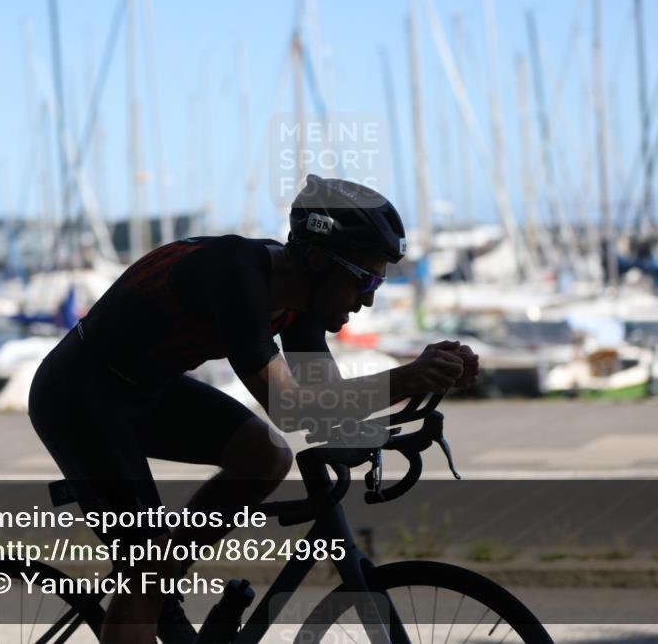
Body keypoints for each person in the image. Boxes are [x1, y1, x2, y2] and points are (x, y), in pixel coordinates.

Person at [27, 175, 479, 643]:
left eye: (379, 284)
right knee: (148, 567)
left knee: (267, 457)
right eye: (365, 280)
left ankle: (164, 577)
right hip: (78, 397)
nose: (368, 299)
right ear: (320, 261)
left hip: (145, 390)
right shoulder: (235, 275)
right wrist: (406, 377)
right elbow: (293, 410)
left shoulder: (302, 300)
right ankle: (152, 581)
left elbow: (325, 408)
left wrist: (418, 392)